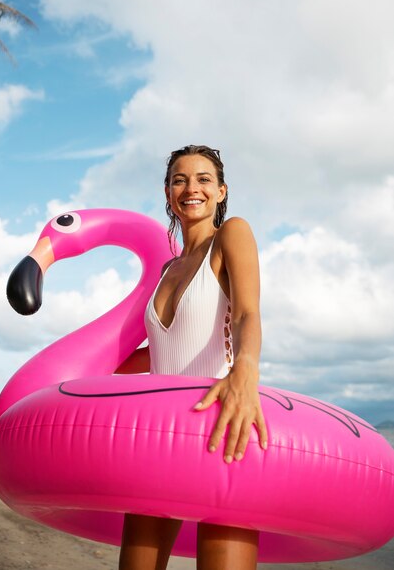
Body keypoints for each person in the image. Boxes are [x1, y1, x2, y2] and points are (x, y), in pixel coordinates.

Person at [115, 145, 268, 570]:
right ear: (168, 194)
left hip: (221, 428)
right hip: (159, 437)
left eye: (203, 179)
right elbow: (160, 351)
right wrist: (88, 377)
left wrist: (246, 369)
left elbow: (248, 313)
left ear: (221, 191)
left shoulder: (232, 233)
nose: (191, 188)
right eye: (179, 180)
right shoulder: (166, 269)